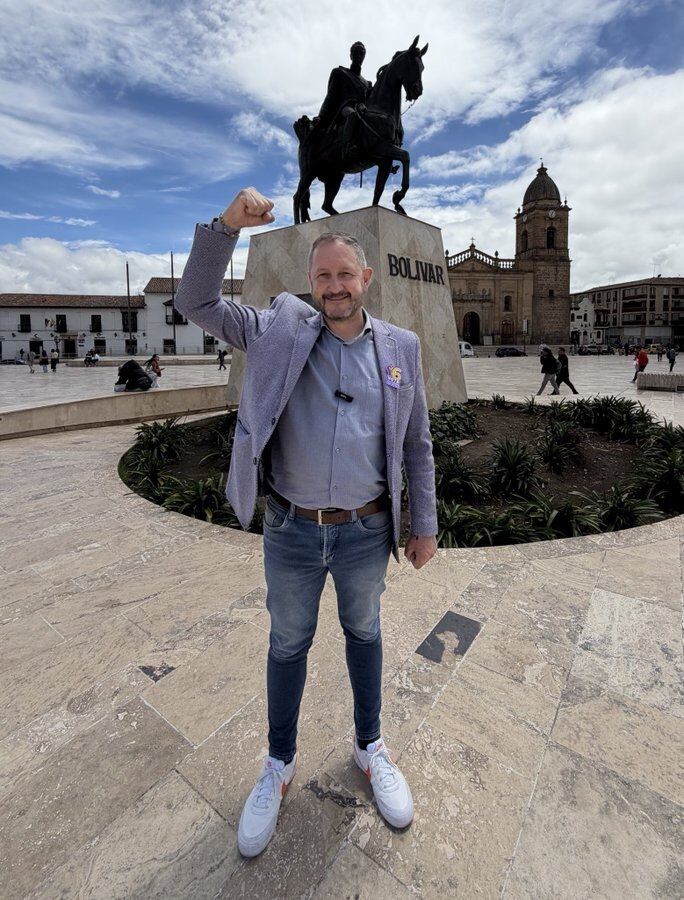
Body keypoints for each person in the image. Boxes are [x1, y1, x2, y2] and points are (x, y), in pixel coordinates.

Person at [174, 187, 438, 859]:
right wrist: (226, 227)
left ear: (366, 279)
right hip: (292, 530)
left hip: (365, 532)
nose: (335, 286)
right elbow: (195, 303)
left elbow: (416, 446)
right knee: (288, 644)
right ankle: (278, 764)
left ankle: (370, 747)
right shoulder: (279, 328)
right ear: (311, 283)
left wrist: (425, 522)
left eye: (346, 274)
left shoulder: (402, 347)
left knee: (365, 633)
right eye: (323, 275)